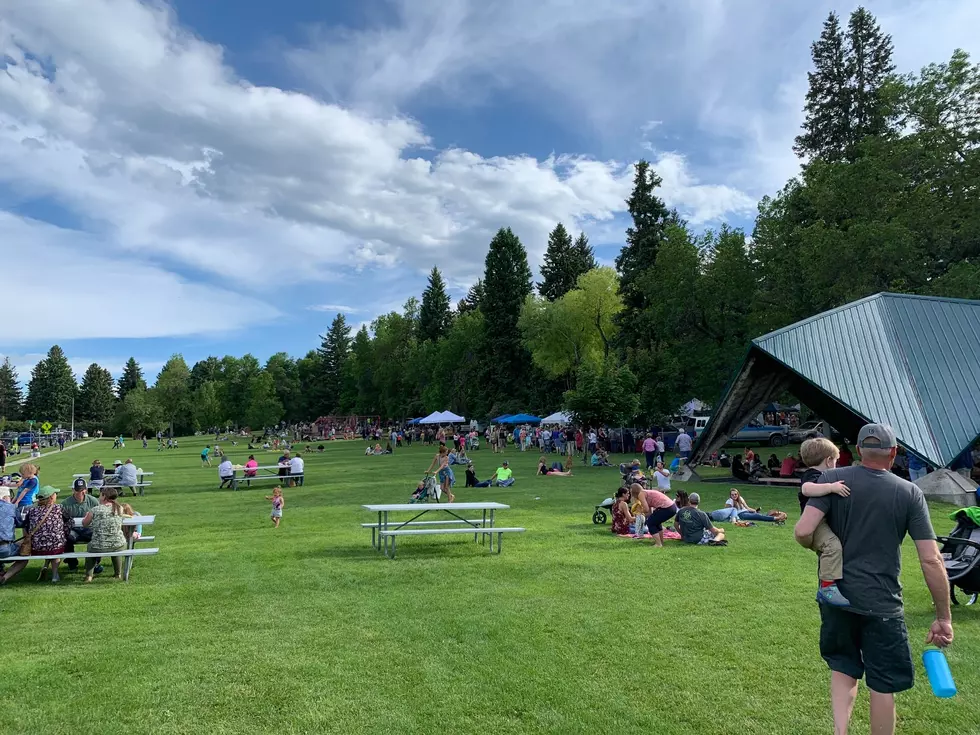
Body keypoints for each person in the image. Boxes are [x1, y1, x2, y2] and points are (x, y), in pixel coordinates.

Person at [794, 424, 953, 735]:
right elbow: (931, 559)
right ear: (892, 454)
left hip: (836, 595)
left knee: (843, 667)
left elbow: (802, 531)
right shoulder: (909, 493)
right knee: (883, 683)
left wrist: (821, 548)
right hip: (882, 602)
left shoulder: (830, 479)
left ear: (858, 450)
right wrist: (943, 617)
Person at [797, 438, 853, 606]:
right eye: (835, 461)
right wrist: (831, 487)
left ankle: (826, 585)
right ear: (829, 461)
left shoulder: (821, 475)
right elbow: (806, 489)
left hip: (820, 522)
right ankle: (827, 588)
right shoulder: (813, 475)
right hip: (815, 524)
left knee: (827, 551)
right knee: (832, 546)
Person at [1, 486, 73, 584]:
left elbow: (26, 525)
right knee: (55, 544)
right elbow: (70, 521)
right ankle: (55, 575)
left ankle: (45, 566)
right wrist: (64, 533)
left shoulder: (32, 511)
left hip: (37, 547)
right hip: (54, 545)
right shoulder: (59, 508)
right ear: (51, 498)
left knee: (49, 542)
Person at [81, 488, 127, 582]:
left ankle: (89, 576)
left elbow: (85, 523)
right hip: (118, 544)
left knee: (90, 547)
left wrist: (87, 516)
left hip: (98, 545)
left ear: (104, 496)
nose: (99, 497)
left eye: (100, 495)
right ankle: (118, 574)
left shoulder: (95, 510)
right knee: (116, 545)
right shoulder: (120, 508)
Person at [62, 478, 101, 573]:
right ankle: (72, 563)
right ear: (73, 490)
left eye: (82, 490)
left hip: (88, 528)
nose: (80, 492)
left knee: (97, 536)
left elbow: (99, 516)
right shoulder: (65, 503)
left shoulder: (93, 501)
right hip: (74, 529)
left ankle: (95, 563)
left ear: (86, 490)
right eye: (77, 490)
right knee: (67, 537)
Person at [629, 483, 677, 547]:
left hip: (666, 508)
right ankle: (660, 542)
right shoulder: (645, 493)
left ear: (633, 491)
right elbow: (649, 512)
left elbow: (645, 509)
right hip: (672, 507)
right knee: (656, 522)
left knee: (650, 523)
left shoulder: (641, 494)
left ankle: (658, 544)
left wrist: (639, 512)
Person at [710, 489, 786, 525]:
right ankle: (776, 518)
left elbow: (747, 508)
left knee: (759, 515)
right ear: (730, 495)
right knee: (758, 516)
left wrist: (754, 510)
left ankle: (775, 516)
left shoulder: (741, 498)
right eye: (732, 495)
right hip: (740, 515)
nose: (734, 496)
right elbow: (727, 512)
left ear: (738, 494)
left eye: (735, 494)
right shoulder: (729, 501)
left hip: (746, 512)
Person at [0, 488, 18, 561]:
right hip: (5, 548)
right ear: (5, 497)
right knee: (24, 554)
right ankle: (8, 573)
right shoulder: (10, 507)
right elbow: (20, 523)